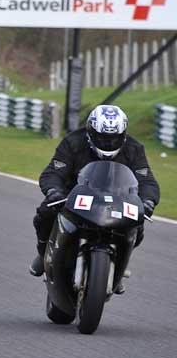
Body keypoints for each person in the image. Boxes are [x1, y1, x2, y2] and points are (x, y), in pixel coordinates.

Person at [29, 105, 159, 291]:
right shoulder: (73, 142)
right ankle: (43, 254)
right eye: (103, 138)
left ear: (123, 135)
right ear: (90, 132)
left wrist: (148, 201)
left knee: (137, 225)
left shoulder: (133, 148)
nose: (108, 143)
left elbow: (147, 181)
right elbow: (53, 172)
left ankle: (117, 267)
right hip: (74, 196)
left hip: (118, 200)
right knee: (45, 213)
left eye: (114, 138)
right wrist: (54, 191)